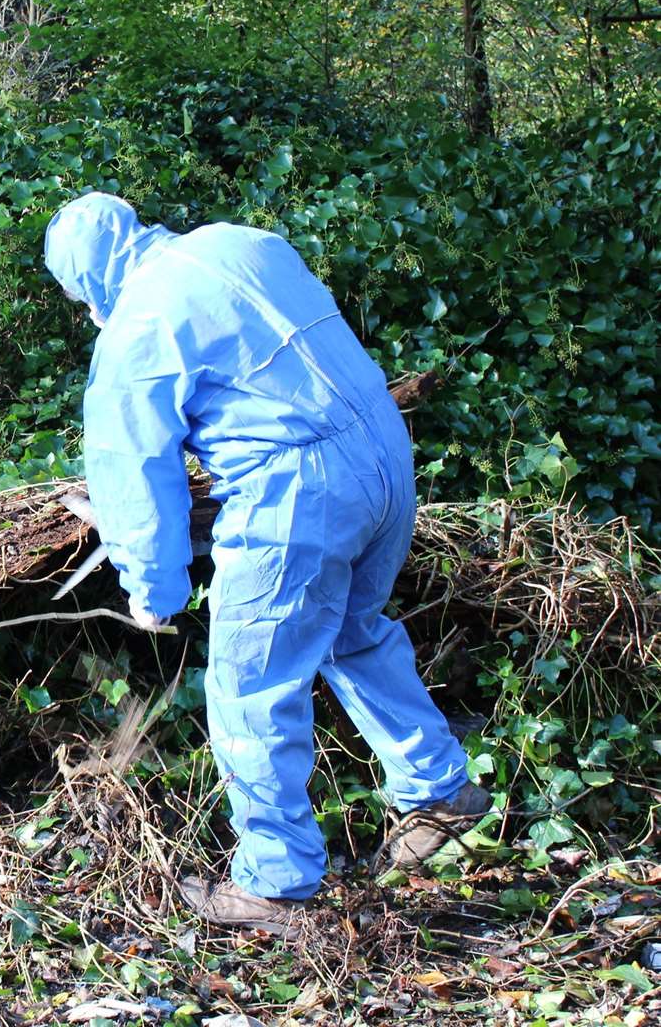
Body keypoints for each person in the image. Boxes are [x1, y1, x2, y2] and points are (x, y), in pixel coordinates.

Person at [44, 193, 490, 935]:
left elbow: (131, 464)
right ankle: (440, 790)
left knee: (249, 684)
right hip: (384, 456)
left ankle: (277, 883)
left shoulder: (136, 326)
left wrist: (151, 586)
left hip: (299, 493)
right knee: (352, 628)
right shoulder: (240, 241)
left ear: (84, 283)